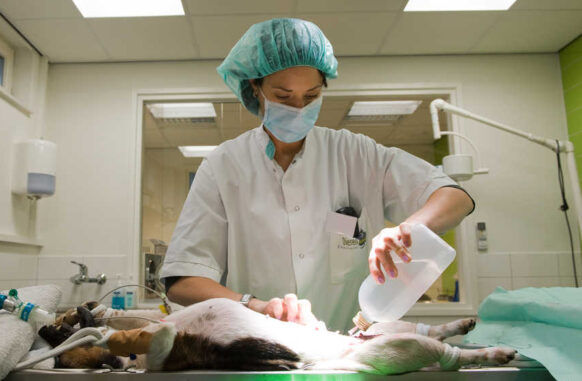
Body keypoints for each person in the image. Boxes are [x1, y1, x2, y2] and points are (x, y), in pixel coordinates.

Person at [159, 18, 474, 332]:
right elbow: (183, 280)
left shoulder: (357, 155)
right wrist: (255, 305)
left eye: (311, 96)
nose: (298, 108)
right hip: (254, 352)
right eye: (283, 97)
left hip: (348, 356)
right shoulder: (223, 167)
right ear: (255, 88)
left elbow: (454, 197)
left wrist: (408, 229)